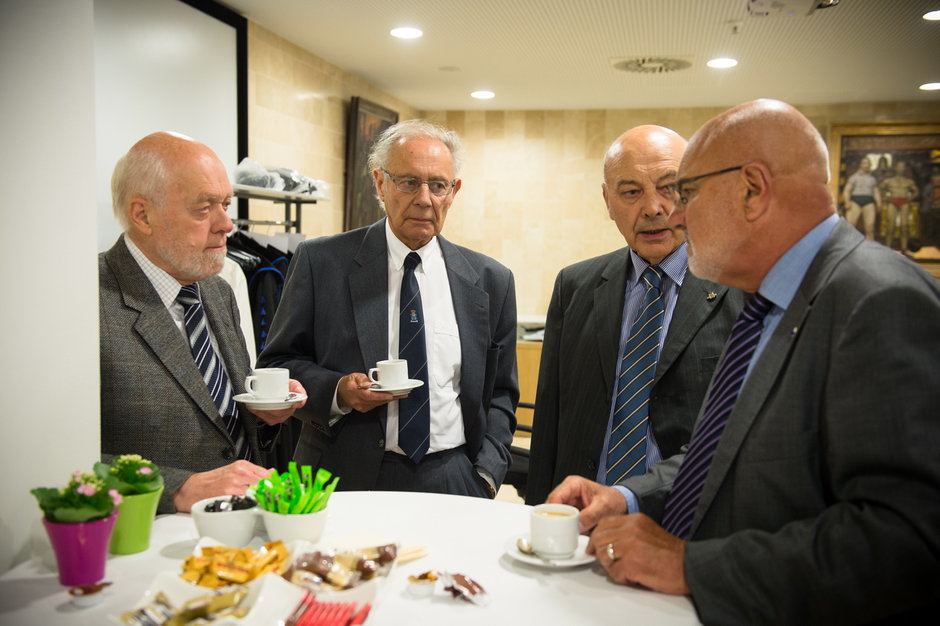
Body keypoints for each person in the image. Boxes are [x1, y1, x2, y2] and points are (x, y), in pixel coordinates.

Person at [549, 99, 940, 623]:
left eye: (687, 192)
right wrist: (627, 496)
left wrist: (690, 565)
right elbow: (721, 454)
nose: (674, 214)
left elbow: (909, 541)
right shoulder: (773, 301)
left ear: (752, 190)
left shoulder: (876, 300)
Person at [258, 119, 518, 498]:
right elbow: (279, 364)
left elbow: (500, 393)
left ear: (454, 191)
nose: (425, 199)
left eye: (438, 185)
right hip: (341, 476)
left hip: (453, 478)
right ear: (380, 183)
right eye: (409, 182)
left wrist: (487, 475)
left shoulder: (491, 280)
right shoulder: (322, 262)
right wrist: (338, 391)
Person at [525, 126, 744, 505]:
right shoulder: (574, 286)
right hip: (583, 516)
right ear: (608, 201)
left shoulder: (741, 287)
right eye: (631, 192)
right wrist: (538, 514)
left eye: (669, 188)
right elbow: (550, 420)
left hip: (688, 519)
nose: (653, 208)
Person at [100, 132, 306, 514]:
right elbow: (55, 455)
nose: (227, 224)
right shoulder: (86, 302)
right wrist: (176, 488)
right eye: (204, 208)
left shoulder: (217, 290)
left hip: (244, 529)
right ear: (142, 215)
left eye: (225, 204)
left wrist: (266, 416)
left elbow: (226, 425)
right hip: (152, 538)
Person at [880, 159, 920, 252]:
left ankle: (904, 248)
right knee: (891, 225)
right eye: (899, 166)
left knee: (904, 225)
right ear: (896, 168)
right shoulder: (889, 181)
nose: (901, 168)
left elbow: (916, 192)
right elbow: (880, 189)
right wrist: (885, 197)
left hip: (904, 202)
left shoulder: (908, 181)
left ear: (904, 169)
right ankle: (888, 247)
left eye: (902, 167)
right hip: (892, 201)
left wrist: (910, 198)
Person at [841, 156, 881, 240]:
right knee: (850, 226)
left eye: (867, 163)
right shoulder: (854, 177)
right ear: (861, 164)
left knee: (870, 228)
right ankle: (848, 246)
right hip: (855, 201)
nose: (866, 165)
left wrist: (879, 203)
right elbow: (847, 190)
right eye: (864, 163)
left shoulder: (872, 179)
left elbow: (876, 192)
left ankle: (870, 247)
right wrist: (847, 201)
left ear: (869, 165)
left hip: (869, 202)